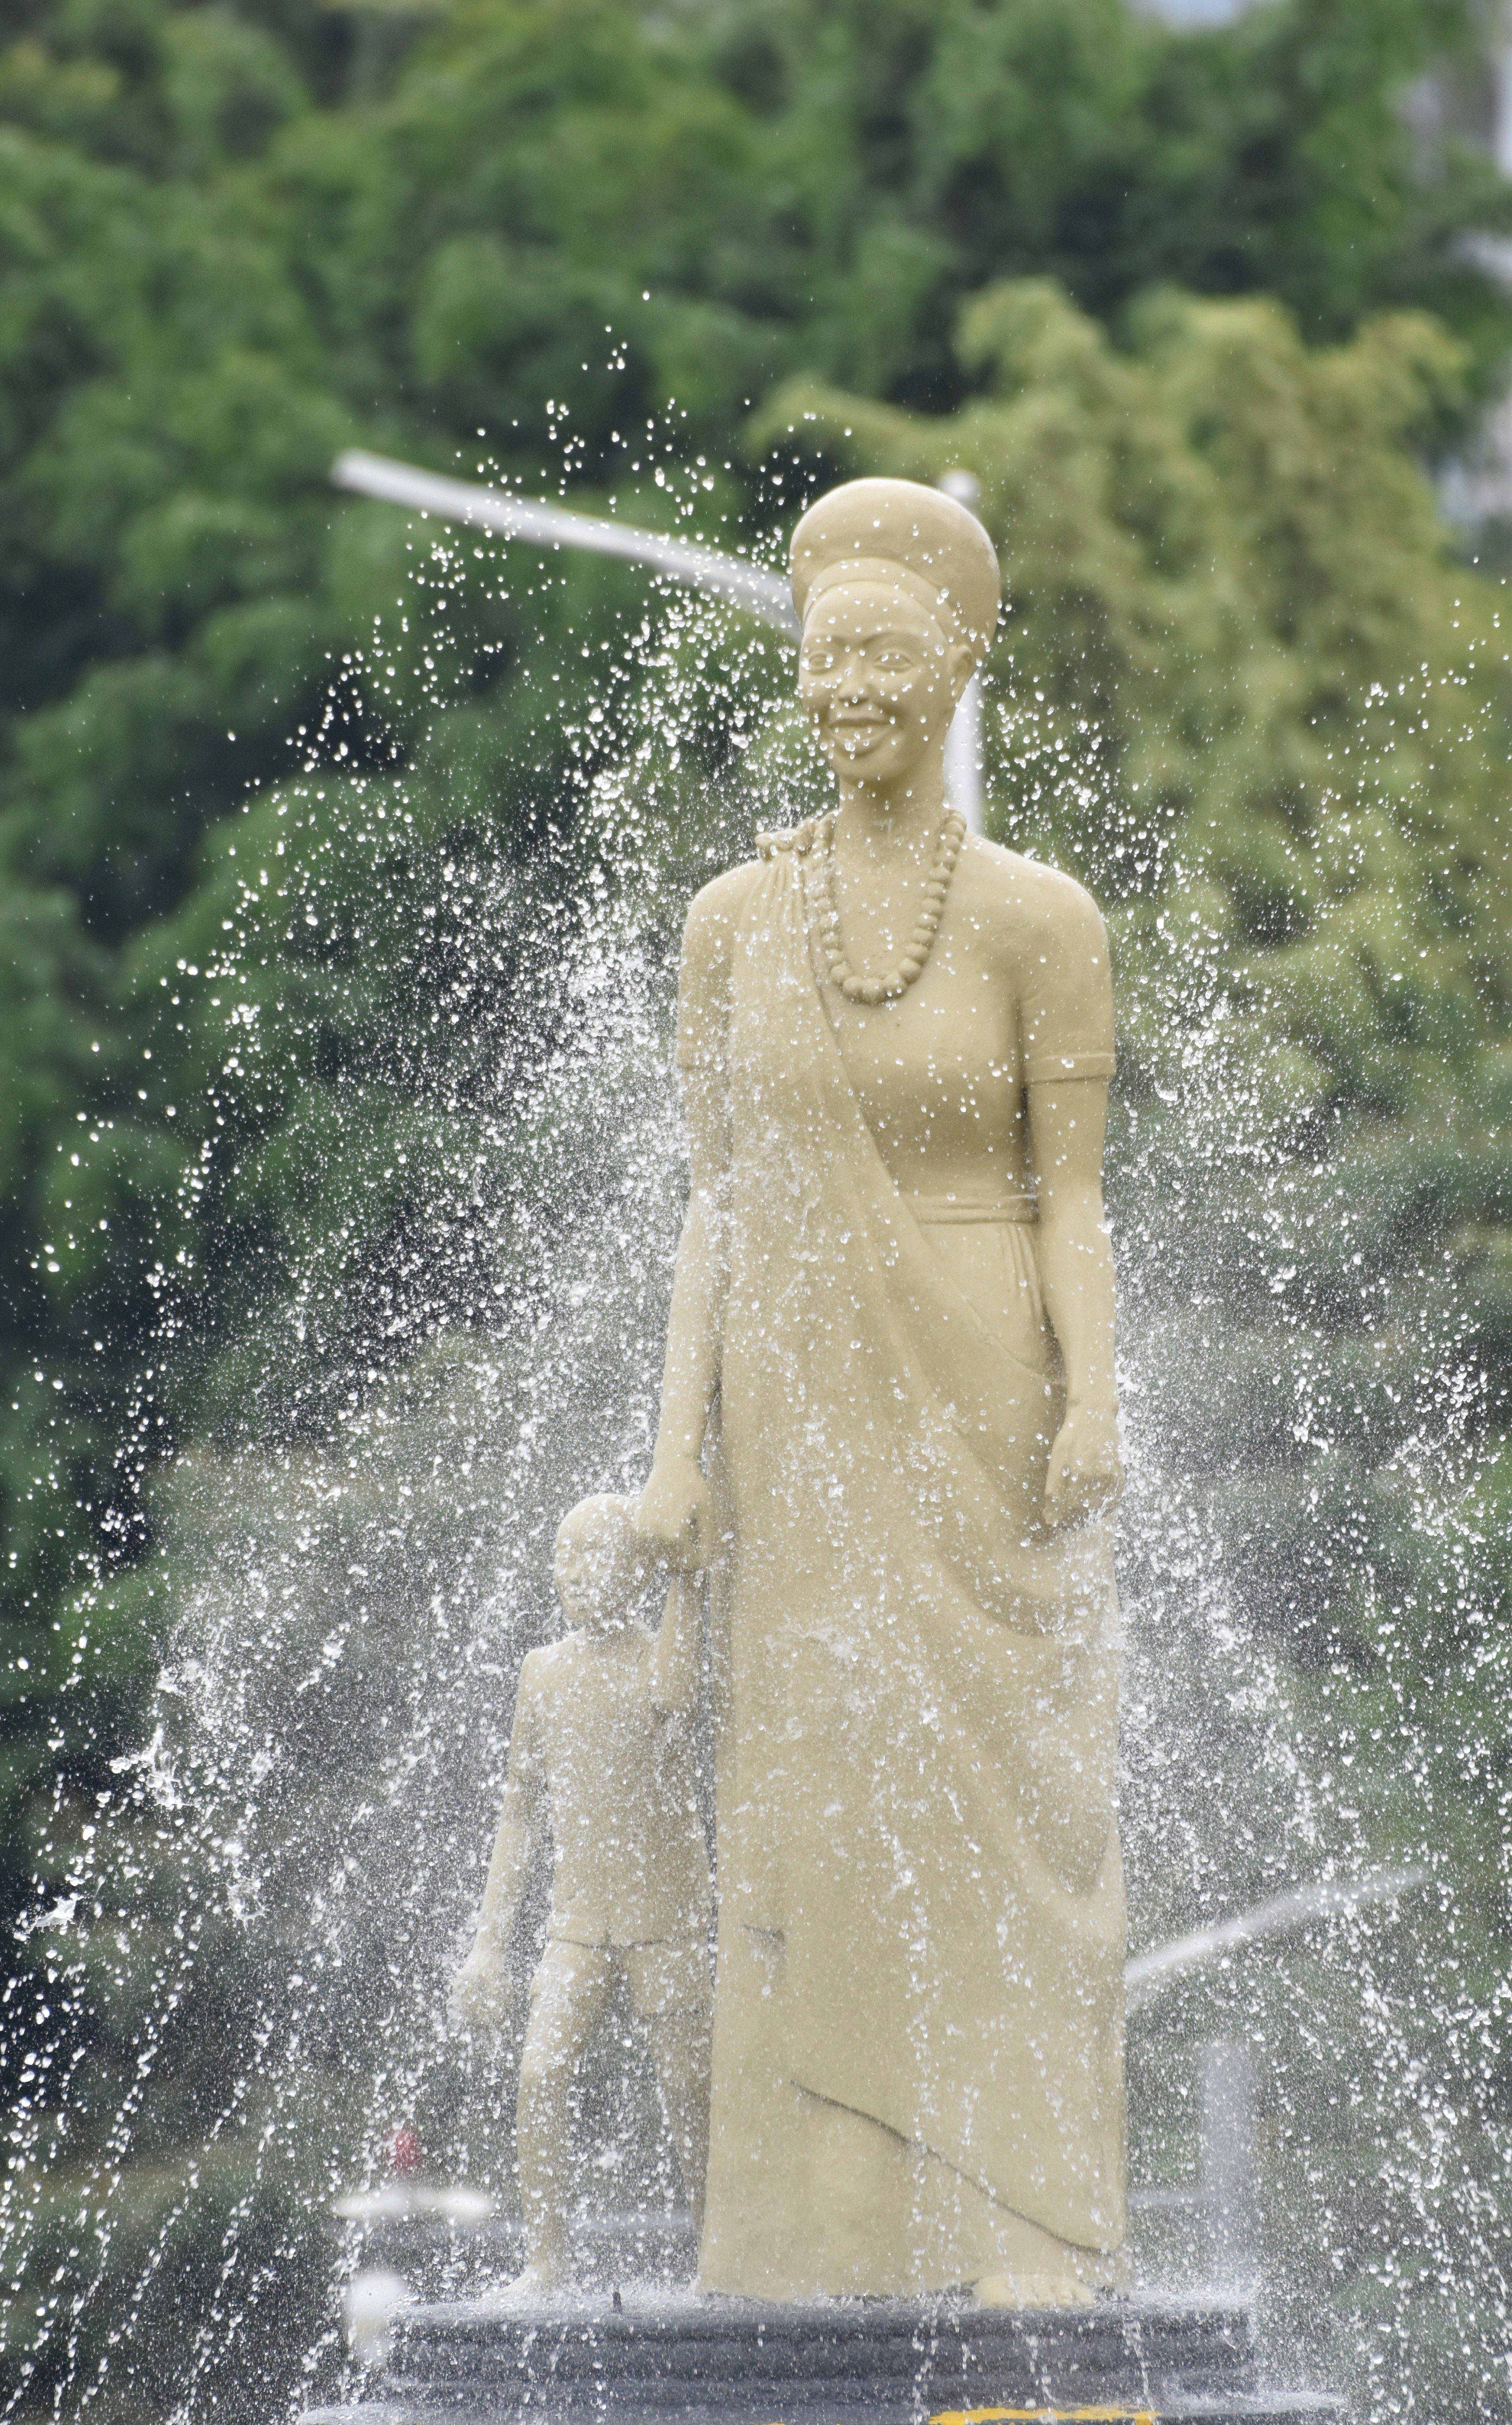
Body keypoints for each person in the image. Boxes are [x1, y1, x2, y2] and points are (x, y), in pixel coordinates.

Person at [636, 477, 1127, 2306]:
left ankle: (1021, 2229)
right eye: (821, 656)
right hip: (794, 1388)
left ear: (951, 667)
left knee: (1011, 1789)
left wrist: (1092, 1401)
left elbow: (1070, 1193)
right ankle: (798, 2239)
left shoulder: (1036, 918)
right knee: (807, 1786)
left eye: (882, 656)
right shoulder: (726, 924)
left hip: (985, 1367)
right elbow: (713, 1206)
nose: (846, 689)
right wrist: (674, 1459)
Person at [451, 1494, 712, 2294]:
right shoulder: (544, 1672)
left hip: (666, 1919)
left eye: (591, 1555)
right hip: (577, 1922)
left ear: (634, 1571)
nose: (570, 1573)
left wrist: (687, 1577)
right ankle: (546, 2260)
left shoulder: (663, 1659)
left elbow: (678, 1699)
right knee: (540, 2075)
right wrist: (489, 1944)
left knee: (687, 2089)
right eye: (561, 1556)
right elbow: (518, 1812)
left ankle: (716, 2254)